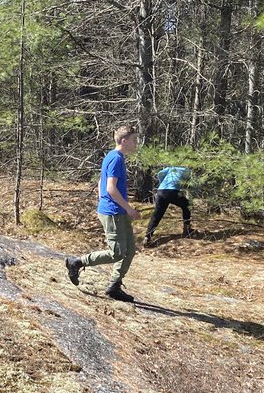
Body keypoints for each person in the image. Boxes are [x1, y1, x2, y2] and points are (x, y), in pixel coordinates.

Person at [65, 125, 141, 303]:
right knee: (117, 253)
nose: (135, 144)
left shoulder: (114, 157)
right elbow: (110, 188)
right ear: (124, 141)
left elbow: (101, 181)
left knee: (129, 251)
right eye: (134, 140)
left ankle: (114, 286)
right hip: (114, 212)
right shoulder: (115, 158)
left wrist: (105, 200)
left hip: (117, 211)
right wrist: (128, 208)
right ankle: (77, 262)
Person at [143, 164, 193, 246]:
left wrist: (162, 182)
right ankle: (187, 228)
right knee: (187, 205)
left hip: (161, 191)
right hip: (172, 191)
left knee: (157, 214)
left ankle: (147, 236)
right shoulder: (187, 171)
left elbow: (160, 173)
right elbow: (188, 184)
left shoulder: (171, 168)